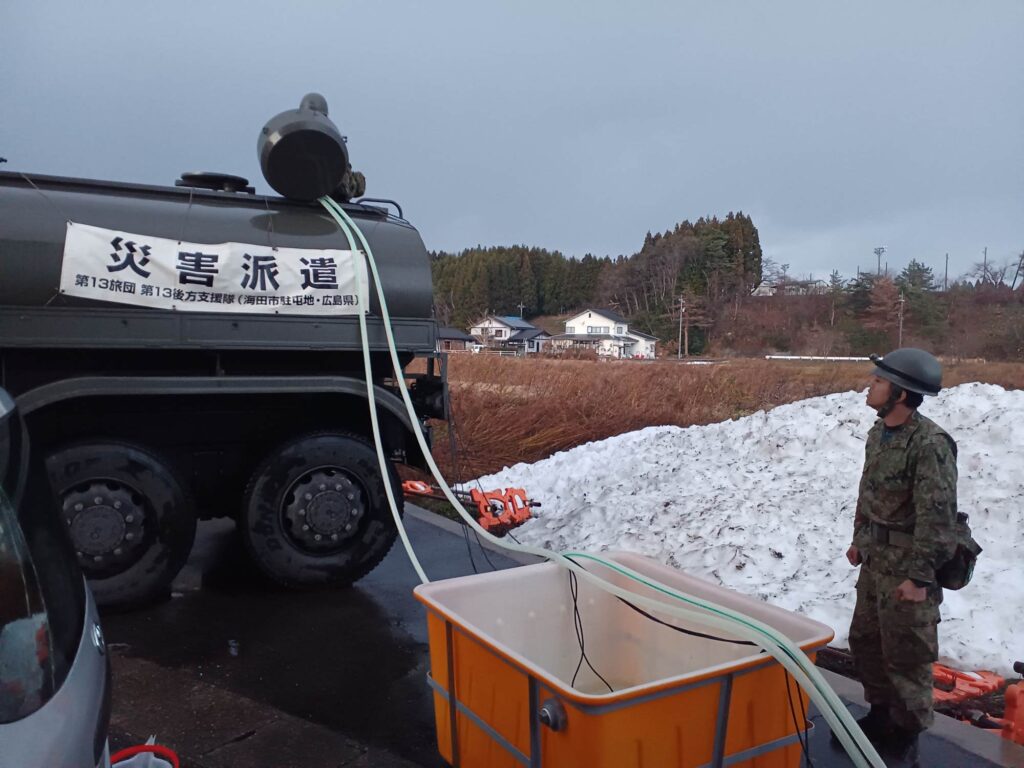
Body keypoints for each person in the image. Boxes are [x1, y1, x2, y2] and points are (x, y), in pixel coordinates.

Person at [842, 348, 958, 766]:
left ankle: (907, 732)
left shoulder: (930, 444)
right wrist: (860, 538)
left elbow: (938, 517)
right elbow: (868, 491)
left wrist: (921, 577)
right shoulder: (879, 433)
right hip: (876, 562)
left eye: (878, 381)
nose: (869, 386)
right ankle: (879, 716)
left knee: (907, 653)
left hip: (908, 570)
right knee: (867, 642)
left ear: (902, 393)